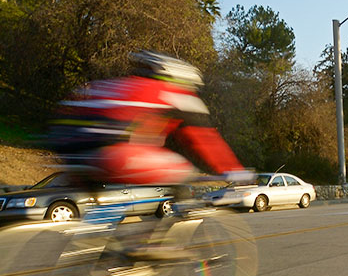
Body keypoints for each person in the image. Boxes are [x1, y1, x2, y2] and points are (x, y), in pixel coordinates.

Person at [48, 51, 248, 243]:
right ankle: (151, 246)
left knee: (107, 201)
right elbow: (204, 140)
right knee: (184, 172)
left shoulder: (114, 85)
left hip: (69, 150)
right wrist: (232, 170)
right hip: (113, 153)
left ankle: (91, 247)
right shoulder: (175, 93)